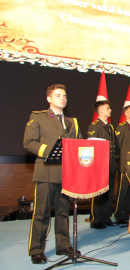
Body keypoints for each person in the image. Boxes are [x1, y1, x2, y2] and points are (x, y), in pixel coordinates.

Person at [24, 84, 83, 264]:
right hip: (46, 171)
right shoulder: (38, 117)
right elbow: (28, 142)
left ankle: (63, 245)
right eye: (58, 95)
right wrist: (50, 151)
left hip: (66, 173)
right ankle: (37, 250)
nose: (63, 98)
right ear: (49, 98)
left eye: (64, 96)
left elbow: (78, 143)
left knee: (63, 212)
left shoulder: (73, 121)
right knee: (41, 213)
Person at [87, 100, 119, 229]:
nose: (110, 110)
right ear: (100, 111)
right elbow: (92, 146)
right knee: (99, 193)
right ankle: (95, 219)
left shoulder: (110, 126)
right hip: (100, 166)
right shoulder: (95, 126)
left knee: (108, 192)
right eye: (108, 108)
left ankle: (105, 217)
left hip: (110, 165)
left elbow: (114, 146)